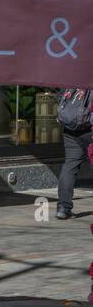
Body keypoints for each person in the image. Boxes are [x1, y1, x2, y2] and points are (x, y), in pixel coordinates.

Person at [56, 87, 92, 220]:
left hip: (70, 127)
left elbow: (60, 92)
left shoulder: (76, 71)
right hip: (89, 127)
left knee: (69, 166)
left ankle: (63, 208)